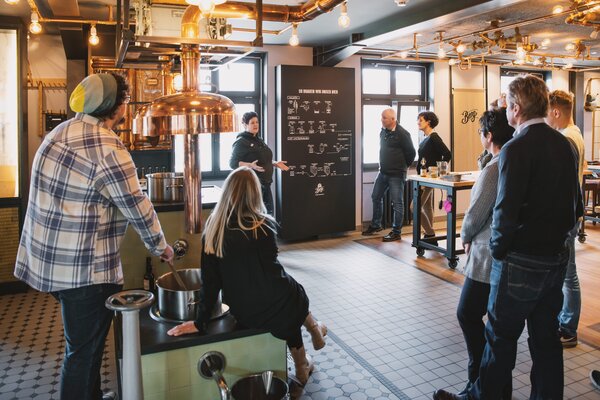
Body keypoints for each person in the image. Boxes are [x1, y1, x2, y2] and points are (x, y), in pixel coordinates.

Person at [14, 73, 174, 400]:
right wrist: (162, 246)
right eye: (125, 101)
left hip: (48, 263)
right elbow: (136, 205)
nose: (127, 107)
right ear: (115, 107)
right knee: (83, 352)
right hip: (84, 271)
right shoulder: (107, 147)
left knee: (83, 346)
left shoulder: (58, 134)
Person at [434, 74, 582, 400]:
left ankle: (479, 397)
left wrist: (499, 251)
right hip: (554, 259)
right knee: (545, 341)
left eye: (507, 105)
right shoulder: (566, 145)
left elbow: (504, 211)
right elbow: (577, 206)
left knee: (500, 339)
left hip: (518, 261)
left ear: (516, 108)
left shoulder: (516, 148)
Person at [167, 167, 327, 386]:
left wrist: (200, 321)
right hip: (278, 299)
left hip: (245, 310)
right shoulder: (264, 224)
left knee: (289, 295)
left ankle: (310, 341)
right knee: (292, 292)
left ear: (227, 192)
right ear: (255, 193)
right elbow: (272, 267)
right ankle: (309, 344)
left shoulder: (214, 230)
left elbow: (210, 282)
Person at [456, 109, 514, 398]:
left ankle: (478, 379)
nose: (480, 137)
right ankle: (489, 384)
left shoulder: (495, 167)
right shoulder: (512, 159)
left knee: (467, 312)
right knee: (494, 326)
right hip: (505, 255)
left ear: (489, 136)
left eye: (481, 132)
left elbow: (477, 211)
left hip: (486, 255)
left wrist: (464, 235)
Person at [547, 90, 586, 348]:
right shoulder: (576, 133)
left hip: (567, 213)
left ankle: (569, 327)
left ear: (556, 112)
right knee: (565, 273)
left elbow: (563, 183)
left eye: (547, 113)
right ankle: (565, 321)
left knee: (568, 274)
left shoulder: (567, 139)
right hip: (572, 211)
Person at [362, 108, 416, 242]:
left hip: (397, 174)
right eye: (381, 117)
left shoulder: (403, 134)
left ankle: (396, 232)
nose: (382, 120)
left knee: (397, 203)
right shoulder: (383, 131)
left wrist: (403, 166)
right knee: (376, 196)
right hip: (383, 172)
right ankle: (376, 225)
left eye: (384, 118)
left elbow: (411, 153)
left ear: (393, 119)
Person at [230, 111, 289, 215]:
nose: (256, 125)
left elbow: (262, 159)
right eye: (252, 122)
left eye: (257, 122)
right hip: (253, 187)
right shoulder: (241, 141)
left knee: (268, 217)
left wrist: (275, 163)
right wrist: (250, 165)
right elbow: (232, 163)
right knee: (257, 219)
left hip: (266, 186)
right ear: (245, 125)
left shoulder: (258, 140)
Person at [416, 111, 451, 243]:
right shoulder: (426, 138)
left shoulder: (434, 137)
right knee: (426, 207)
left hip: (428, 179)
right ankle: (429, 235)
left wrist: (439, 171)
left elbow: (447, 154)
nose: (418, 122)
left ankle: (430, 234)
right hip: (423, 177)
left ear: (428, 122)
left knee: (414, 207)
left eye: (421, 120)